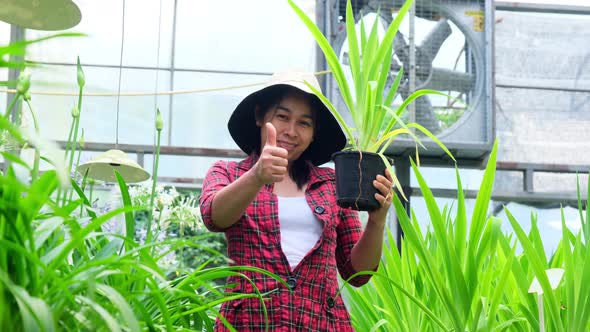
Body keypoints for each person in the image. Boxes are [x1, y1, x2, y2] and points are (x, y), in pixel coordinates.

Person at [199, 71, 393, 331]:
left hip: (322, 323)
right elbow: (214, 216)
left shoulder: (332, 184)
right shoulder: (228, 173)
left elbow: (358, 272)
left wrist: (377, 222)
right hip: (248, 322)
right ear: (260, 116)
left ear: (314, 133)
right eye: (282, 116)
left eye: (304, 123)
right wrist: (257, 176)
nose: (291, 131)